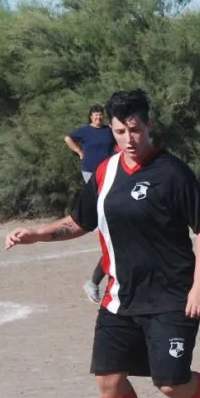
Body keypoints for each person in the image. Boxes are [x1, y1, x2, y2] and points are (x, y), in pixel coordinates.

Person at [7, 89, 200, 398]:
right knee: (109, 380)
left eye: (135, 130)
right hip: (121, 297)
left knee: (171, 383)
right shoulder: (106, 171)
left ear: (149, 125)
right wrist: (37, 233)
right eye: (120, 131)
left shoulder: (173, 172)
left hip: (172, 296)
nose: (129, 139)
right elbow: (79, 221)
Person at [64, 104, 117, 304]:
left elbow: (117, 145)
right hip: (92, 171)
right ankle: (102, 220)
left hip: (109, 168)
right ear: (91, 117)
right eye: (95, 115)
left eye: (100, 114)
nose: (98, 117)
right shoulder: (85, 131)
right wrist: (79, 152)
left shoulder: (109, 131)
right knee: (103, 199)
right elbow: (68, 137)